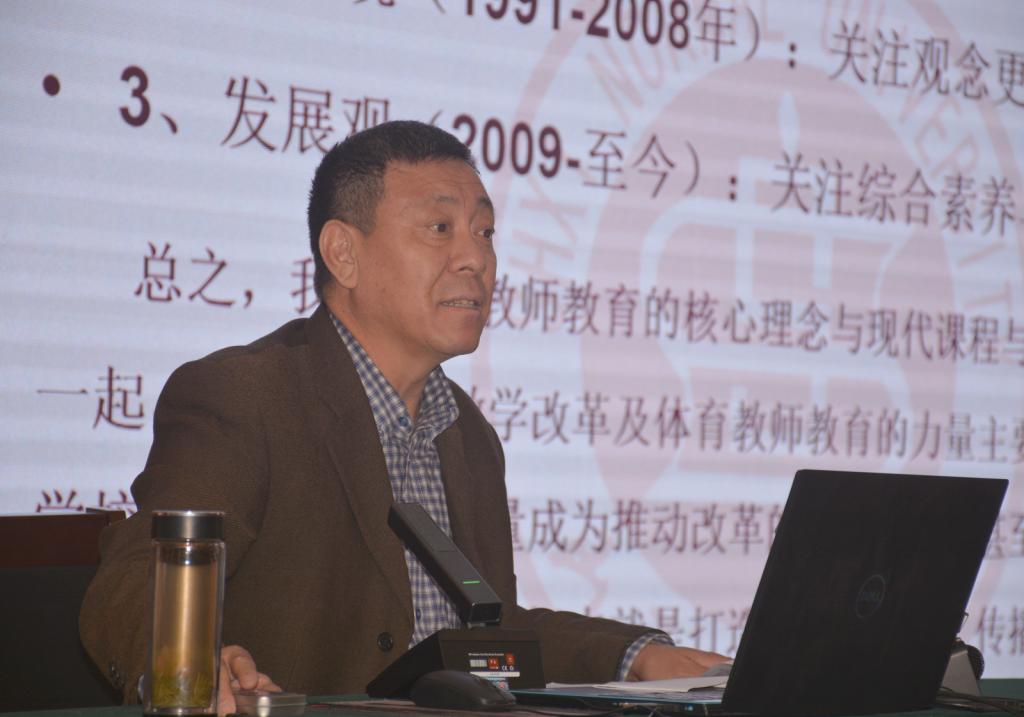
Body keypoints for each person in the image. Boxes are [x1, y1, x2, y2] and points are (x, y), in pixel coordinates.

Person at [80, 121, 725, 714]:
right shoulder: (246, 397)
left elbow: (489, 633)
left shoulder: (468, 433)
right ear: (343, 253)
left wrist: (634, 656)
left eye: (485, 232)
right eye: (440, 228)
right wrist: (187, 662)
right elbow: (133, 582)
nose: (476, 258)